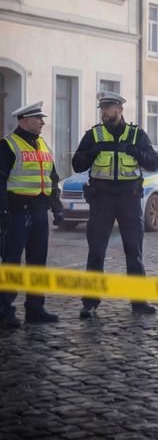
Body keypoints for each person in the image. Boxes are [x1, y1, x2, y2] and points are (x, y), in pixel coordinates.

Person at [72, 92, 158, 318]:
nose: (103, 112)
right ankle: (89, 302)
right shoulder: (94, 135)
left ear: (120, 109)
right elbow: (77, 165)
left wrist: (137, 153)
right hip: (101, 200)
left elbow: (153, 162)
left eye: (108, 108)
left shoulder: (136, 134)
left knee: (134, 251)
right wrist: (92, 152)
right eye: (101, 108)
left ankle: (139, 301)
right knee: (96, 252)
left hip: (129, 200)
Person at [0, 102, 65, 327]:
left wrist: (56, 206)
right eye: (39, 119)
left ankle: (35, 309)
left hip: (39, 211)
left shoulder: (42, 144)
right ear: (24, 121)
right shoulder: (8, 145)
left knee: (38, 262)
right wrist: (4, 211)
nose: (43, 123)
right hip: (17, 212)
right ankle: (4, 310)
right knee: (11, 262)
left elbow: (52, 178)